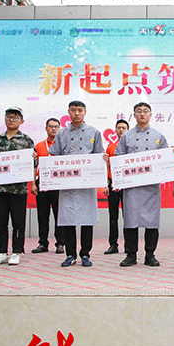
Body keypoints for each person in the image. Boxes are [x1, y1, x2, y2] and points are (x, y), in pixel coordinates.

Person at [49, 101, 104, 267]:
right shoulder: (62, 133)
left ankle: (85, 254)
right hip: (68, 183)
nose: (77, 113)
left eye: (80, 110)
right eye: (73, 110)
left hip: (87, 183)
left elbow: (98, 156)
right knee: (68, 219)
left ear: (85, 112)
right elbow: (54, 156)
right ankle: (70, 254)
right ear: (69, 112)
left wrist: (103, 159)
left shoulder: (94, 132)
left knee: (87, 220)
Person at [114, 102, 168, 267]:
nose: (142, 114)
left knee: (152, 222)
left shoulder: (159, 136)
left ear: (150, 115)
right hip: (132, 188)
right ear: (134, 115)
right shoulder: (126, 136)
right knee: (130, 221)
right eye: (139, 111)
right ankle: (131, 255)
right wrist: (118, 180)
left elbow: (165, 159)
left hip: (151, 188)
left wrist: (171, 154)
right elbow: (118, 159)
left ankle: (150, 255)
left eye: (145, 111)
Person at [0, 106, 36, 266]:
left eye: (15, 117)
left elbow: (33, 162)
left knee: (18, 222)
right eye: (8, 116)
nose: (11, 119)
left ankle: (16, 252)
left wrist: (34, 158)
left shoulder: (26, 140)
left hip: (18, 189)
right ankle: (1, 252)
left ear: (21, 121)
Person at [32, 118, 66, 254]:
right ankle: (43, 243)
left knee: (59, 214)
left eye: (56, 126)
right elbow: (34, 166)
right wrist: (33, 183)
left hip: (58, 182)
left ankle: (60, 243)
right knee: (42, 214)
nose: (53, 129)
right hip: (42, 181)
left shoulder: (63, 146)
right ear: (46, 128)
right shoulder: (39, 146)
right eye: (51, 126)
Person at [103, 119, 129, 255]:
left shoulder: (131, 147)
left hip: (127, 184)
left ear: (128, 130)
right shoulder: (110, 147)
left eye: (124, 128)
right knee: (113, 216)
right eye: (119, 128)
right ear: (115, 130)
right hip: (113, 184)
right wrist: (106, 184)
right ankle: (113, 245)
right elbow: (107, 166)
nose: (121, 130)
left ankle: (128, 245)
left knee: (128, 216)